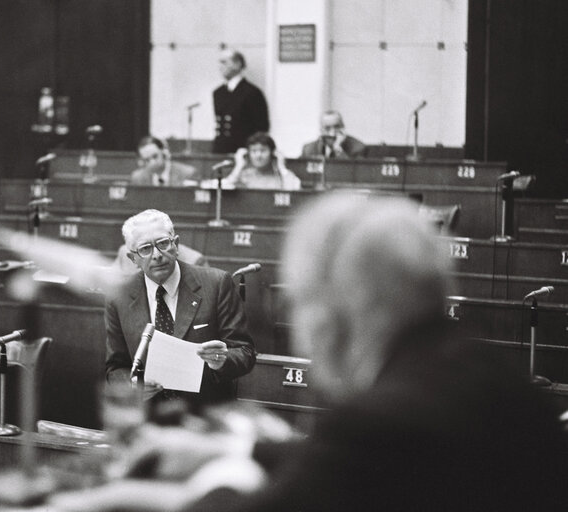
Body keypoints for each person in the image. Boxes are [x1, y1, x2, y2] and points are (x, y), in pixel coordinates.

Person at [51, 193, 568, 511]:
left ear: (344, 307)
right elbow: (342, 463)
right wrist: (238, 450)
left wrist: (109, 502)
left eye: (305, 301)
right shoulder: (483, 375)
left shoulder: (383, 418)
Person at [104, 209, 255, 407]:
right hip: (149, 417)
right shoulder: (119, 296)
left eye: (163, 244)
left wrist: (221, 361)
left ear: (175, 244)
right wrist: (134, 385)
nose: (157, 255)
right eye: (145, 249)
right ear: (133, 259)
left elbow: (245, 351)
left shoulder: (217, 284)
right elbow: (115, 367)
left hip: (206, 416)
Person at [212, 49, 269, 154]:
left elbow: (261, 127)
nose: (220, 66)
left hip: (243, 150)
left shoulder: (252, 92)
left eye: (224, 62)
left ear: (237, 64)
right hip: (221, 150)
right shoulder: (218, 93)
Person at [222, 132, 301, 190]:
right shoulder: (243, 176)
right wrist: (239, 166)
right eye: (254, 151)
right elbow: (224, 191)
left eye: (263, 150)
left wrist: (281, 167)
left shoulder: (282, 176)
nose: (258, 155)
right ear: (248, 154)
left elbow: (294, 192)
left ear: (272, 154)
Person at [130, 136, 199, 186]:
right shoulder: (137, 177)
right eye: (147, 160)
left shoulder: (187, 173)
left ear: (164, 153)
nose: (152, 162)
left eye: (155, 156)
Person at [301, 110, 366, 159]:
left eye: (337, 127)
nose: (332, 133)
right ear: (321, 130)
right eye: (327, 128)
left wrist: (338, 150)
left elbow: (352, 173)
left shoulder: (357, 147)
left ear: (343, 127)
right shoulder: (309, 149)